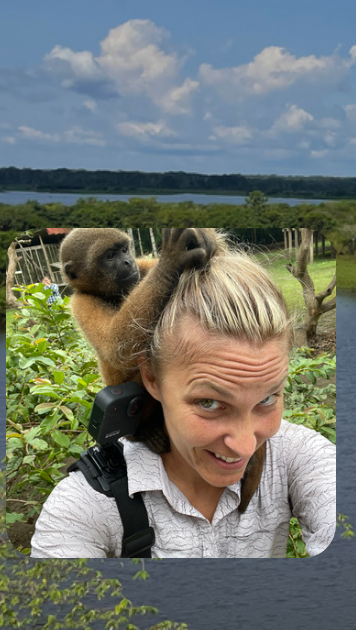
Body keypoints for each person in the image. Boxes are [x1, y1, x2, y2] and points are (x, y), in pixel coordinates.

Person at [31, 239, 336, 557]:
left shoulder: (300, 457)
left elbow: (200, 266)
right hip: (138, 404)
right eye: (209, 403)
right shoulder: (85, 506)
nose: (245, 446)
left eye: (268, 398)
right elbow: (117, 347)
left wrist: (203, 246)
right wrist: (165, 272)